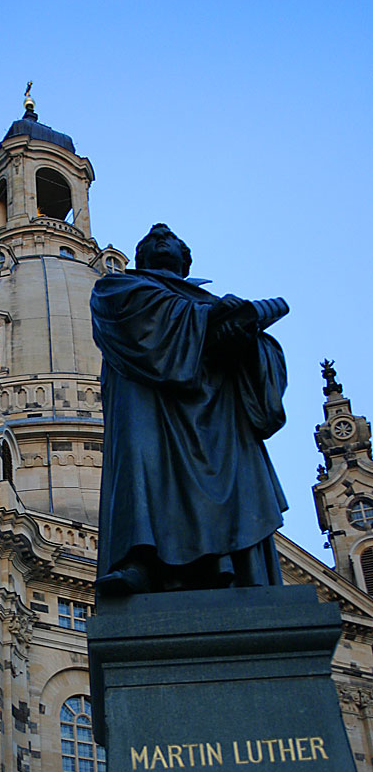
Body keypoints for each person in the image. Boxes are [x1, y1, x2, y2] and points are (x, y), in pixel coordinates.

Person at [92, 223, 288, 595]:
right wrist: (207, 320)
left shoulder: (209, 301)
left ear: (185, 259)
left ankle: (231, 568)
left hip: (216, 413)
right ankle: (141, 561)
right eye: (153, 239)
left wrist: (244, 340)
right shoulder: (117, 286)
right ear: (141, 258)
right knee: (145, 467)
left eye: (169, 238)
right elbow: (137, 325)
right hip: (149, 404)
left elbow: (264, 360)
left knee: (227, 476)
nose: (160, 236)